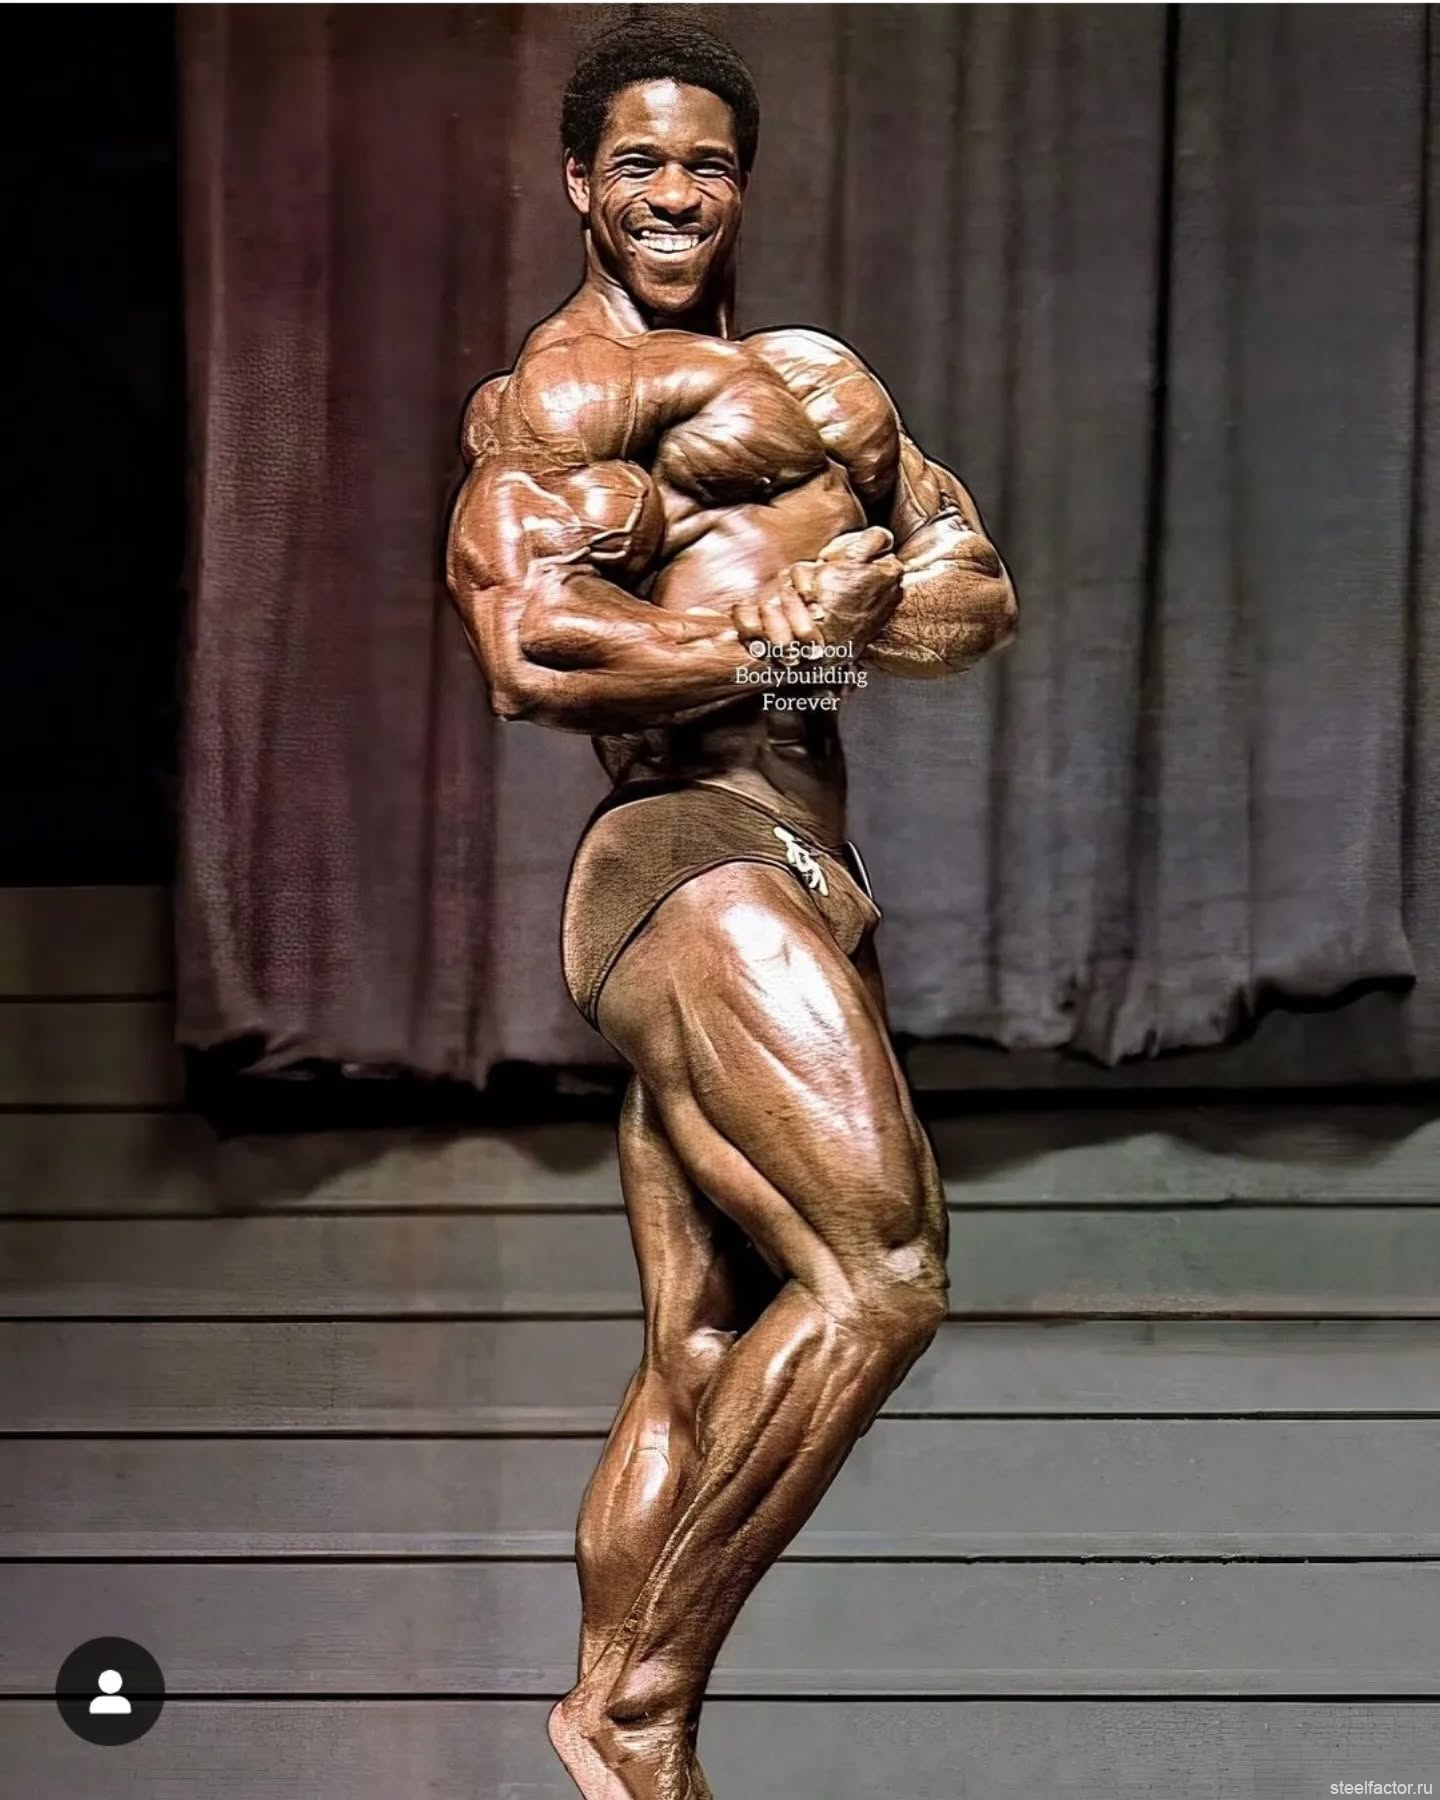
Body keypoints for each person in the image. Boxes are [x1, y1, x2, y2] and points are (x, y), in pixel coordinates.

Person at [446, 19, 1017, 1798]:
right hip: (683, 854)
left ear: (742, 185)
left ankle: (626, 1754)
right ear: (579, 183)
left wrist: (849, 622)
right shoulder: (562, 397)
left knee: (697, 1363)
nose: (674, 194)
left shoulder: (820, 381)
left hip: (804, 872)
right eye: (637, 163)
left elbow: (971, 592)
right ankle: (640, 1701)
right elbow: (530, 652)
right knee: (883, 1273)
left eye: (703, 164)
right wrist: (751, 647)